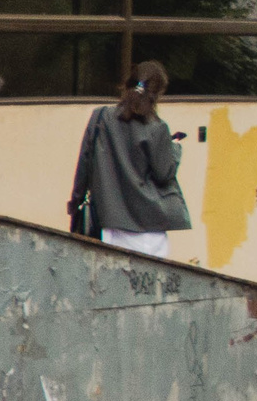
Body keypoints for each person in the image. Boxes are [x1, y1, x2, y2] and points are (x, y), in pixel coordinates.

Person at [68, 60, 190, 257]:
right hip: (149, 228)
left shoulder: (100, 118)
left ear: (127, 84)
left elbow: (84, 165)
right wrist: (174, 149)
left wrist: (75, 204)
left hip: (111, 223)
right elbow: (163, 174)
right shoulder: (157, 128)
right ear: (156, 95)